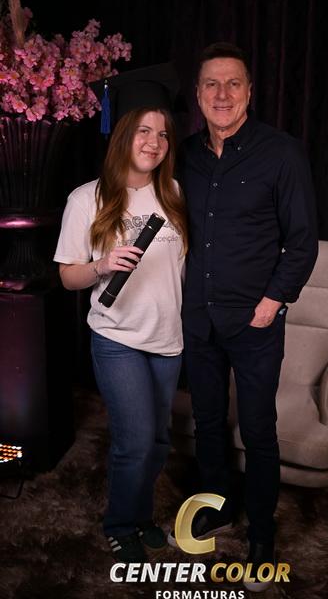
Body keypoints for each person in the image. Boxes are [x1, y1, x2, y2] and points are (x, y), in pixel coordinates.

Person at [169, 43, 318, 592]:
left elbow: (302, 241)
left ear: (250, 92)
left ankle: (261, 532)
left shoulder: (282, 153)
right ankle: (219, 508)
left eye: (233, 83)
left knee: (257, 431)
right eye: (211, 83)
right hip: (200, 318)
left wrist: (272, 303)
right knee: (208, 423)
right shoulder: (184, 154)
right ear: (198, 94)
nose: (222, 94)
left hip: (255, 323)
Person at [54, 66, 188, 563]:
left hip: (168, 340)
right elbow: (68, 277)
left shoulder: (174, 195)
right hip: (117, 339)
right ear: (122, 134)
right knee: (134, 441)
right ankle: (120, 524)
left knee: (158, 441)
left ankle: (140, 515)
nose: (154, 143)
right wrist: (102, 265)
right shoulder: (86, 198)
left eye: (163, 134)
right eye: (143, 131)